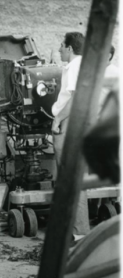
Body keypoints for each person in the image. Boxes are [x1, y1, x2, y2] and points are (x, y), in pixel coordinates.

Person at [51, 32, 90, 241]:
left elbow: (75, 100)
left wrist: (57, 120)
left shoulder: (75, 67)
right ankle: (75, 230)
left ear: (69, 48)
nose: (59, 49)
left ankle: (79, 233)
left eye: (61, 46)